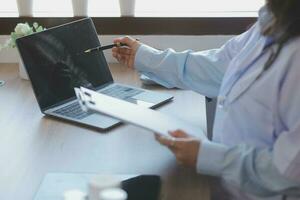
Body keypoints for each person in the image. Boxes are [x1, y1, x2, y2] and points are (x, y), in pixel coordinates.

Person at [112, 0, 300, 199]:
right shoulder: (271, 21)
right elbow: (219, 65)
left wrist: (207, 156)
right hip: (226, 184)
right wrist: (146, 57)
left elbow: (289, 172)